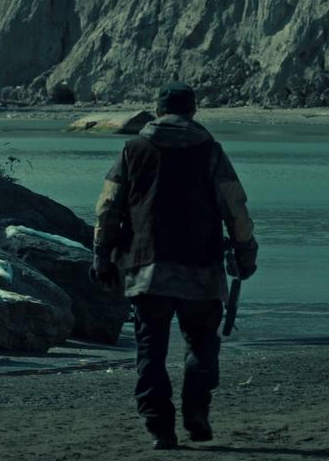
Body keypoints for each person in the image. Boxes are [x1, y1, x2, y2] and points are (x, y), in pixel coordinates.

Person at [90, 82, 258, 450]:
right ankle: (196, 408)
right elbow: (236, 207)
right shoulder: (210, 152)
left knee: (151, 350)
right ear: (193, 111)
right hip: (201, 268)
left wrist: (102, 254)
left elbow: (108, 207)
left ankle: (159, 427)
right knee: (202, 342)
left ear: (157, 111)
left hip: (146, 266)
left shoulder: (133, 150)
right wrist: (246, 252)